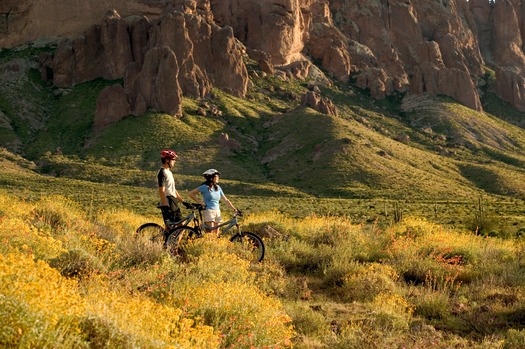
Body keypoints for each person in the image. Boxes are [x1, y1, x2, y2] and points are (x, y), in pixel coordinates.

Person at [188, 169, 238, 236]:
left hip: (217, 211)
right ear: (211, 178)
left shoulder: (218, 187)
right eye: (216, 176)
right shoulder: (204, 187)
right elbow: (191, 193)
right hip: (209, 210)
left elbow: (226, 200)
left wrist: (234, 209)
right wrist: (200, 202)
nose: (218, 178)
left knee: (216, 234)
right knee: (210, 233)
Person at [158, 149, 185, 224]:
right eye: (173, 159)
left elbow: (173, 189)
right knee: (180, 225)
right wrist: (165, 204)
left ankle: (168, 236)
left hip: (173, 200)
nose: (174, 161)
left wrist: (182, 201)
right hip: (169, 200)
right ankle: (169, 236)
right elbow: (161, 190)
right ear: (167, 160)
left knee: (175, 226)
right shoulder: (162, 172)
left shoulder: (169, 172)